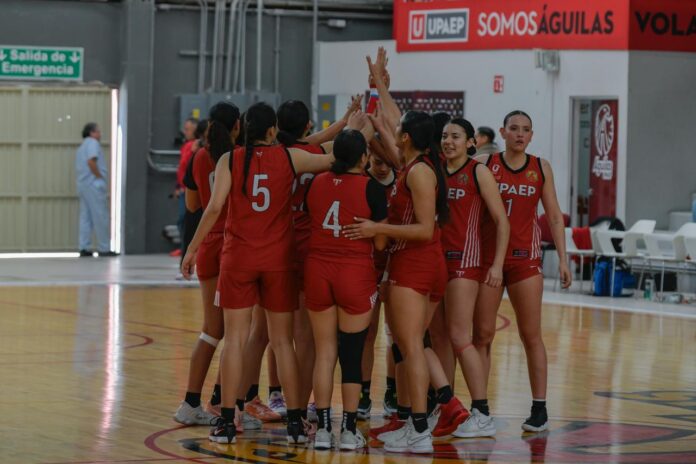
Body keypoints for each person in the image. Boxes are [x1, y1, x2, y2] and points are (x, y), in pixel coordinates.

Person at [181, 102, 334, 445]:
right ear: (271, 131)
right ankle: (296, 423)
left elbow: (214, 207)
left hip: (238, 258)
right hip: (278, 260)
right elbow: (331, 158)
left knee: (235, 340)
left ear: (244, 128)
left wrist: (191, 249)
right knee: (282, 343)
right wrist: (362, 129)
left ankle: (226, 421)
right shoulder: (290, 157)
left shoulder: (229, 159)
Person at [343, 110, 451, 454]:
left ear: (406, 136)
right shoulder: (415, 164)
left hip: (416, 264)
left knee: (411, 346)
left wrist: (378, 228)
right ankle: (414, 424)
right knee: (410, 346)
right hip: (423, 263)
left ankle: (418, 429)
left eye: (398, 129)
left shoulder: (418, 172)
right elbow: (388, 142)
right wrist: (372, 121)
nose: (394, 133)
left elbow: (425, 229)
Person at [474, 110, 571, 433]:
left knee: (531, 335)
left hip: (525, 261)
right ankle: (480, 408)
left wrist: (564, 259)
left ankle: (539, 409)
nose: (519, 134)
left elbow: (554, 216)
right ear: (502, 132)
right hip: (489, 260)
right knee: (482, 335)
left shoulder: (540, 167)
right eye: (513, 128)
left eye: (525, 129)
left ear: (531, 135)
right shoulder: (485, 165)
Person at [304, 129, 388, 450]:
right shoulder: (371, 188)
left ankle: (324, 430)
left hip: (317, 270)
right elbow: (380, 243)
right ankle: (350, 430)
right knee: (351, 355)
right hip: (354, 273)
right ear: (364, 158)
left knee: (324, 352)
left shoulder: (315, 182)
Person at [173, 103, 243, 427]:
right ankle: (221, 402)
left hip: (208, 243)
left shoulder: (199, 156)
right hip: (233, 243)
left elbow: (192, 205)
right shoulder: (239, 157)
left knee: (212, 330)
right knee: (238, 332)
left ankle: (191, 402)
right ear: (237, 126)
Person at [439, 118, 510, 438]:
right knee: (439, 338)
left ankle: (481, 412)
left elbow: (502, 221)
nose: (448, 141)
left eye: (455, 136)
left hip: (465, 263)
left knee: (459, 336)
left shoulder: (478, 172)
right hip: (435, 262)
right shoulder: (436, 170)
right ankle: (447, 406)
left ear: (471, 142)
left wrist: (497, 265)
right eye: (445, 136)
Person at [76, 123, 115, 257]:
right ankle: (104, 248)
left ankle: (84, 247)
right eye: (98, 131)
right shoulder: (93, 143)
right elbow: (91, 161)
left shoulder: (82, 147)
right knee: (100, 216)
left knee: (85, 217)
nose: (100, 134)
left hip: (83, 185)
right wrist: (99, 177)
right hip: (93, 184)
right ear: (91, 133)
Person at [173, 118, 199, 257]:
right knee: (182, 221)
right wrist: (178, 186)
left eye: (188, 129)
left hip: (191, 189)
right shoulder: (186, 146)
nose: (185, 132)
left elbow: (190, 166)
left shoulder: (196, 147)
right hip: (183, 189)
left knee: (186, 220)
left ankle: (189, 249)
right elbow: (182, 168)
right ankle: (185, 248)